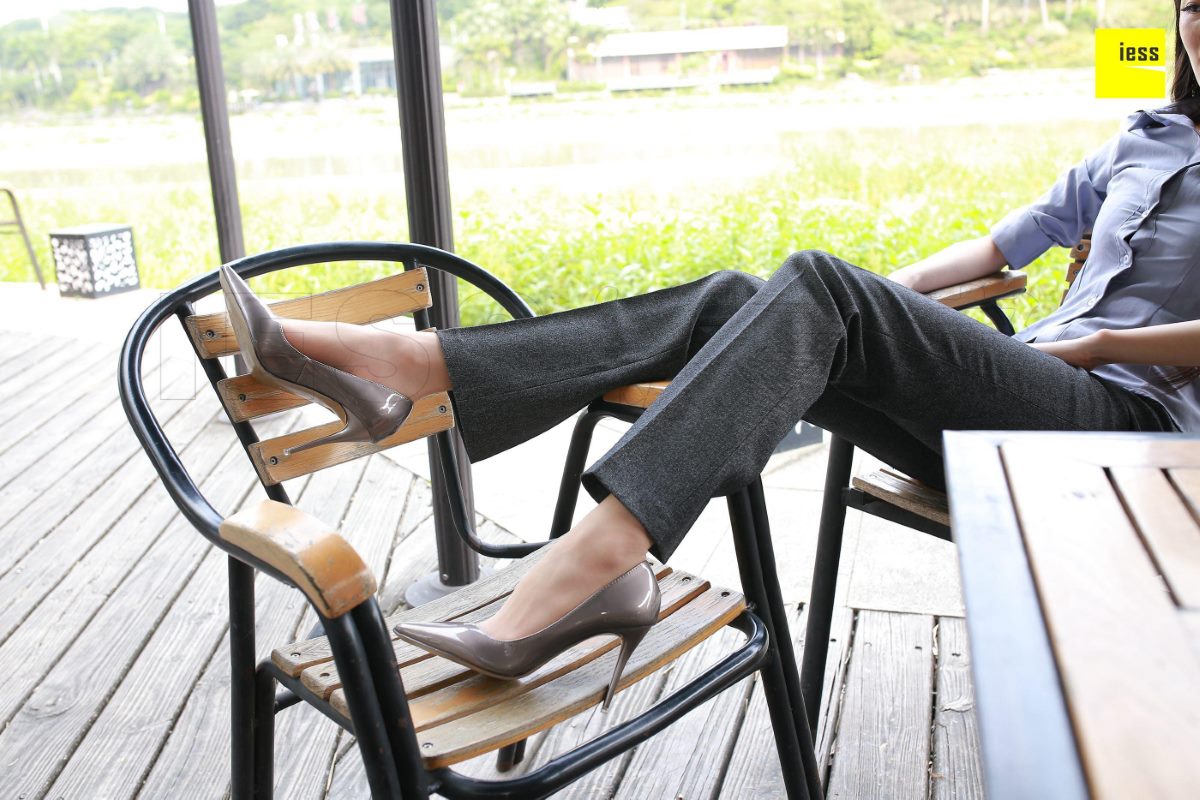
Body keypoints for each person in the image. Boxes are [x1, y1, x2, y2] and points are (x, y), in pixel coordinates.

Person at [219, 0, 1200, 706]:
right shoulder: (1142, 138)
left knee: (817, 286)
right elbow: (999, 249)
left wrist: (1101, 341)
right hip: (1020, 416)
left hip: (1131, 433)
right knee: (744, 295)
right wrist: (871, 307)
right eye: (1192, 7)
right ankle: (410, 365)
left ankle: (593, 553)